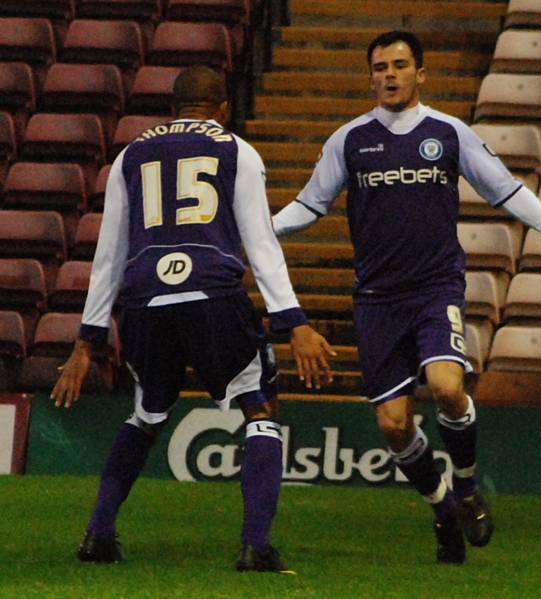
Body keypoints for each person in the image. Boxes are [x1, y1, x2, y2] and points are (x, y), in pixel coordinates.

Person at [272, 31, 541, 564]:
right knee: (393, 425)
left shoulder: (448, 133)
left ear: (420, 74)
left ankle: (469, 485)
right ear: (370, 76)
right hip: (376, 299)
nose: (388, 74)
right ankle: (442, 506)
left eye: (399, 65)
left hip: (435, 288)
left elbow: (506, 189)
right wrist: (259, 230)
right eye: (379, 67)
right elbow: (310, 206)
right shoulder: (349, 140)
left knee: (448, 388)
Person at [50, 65, 335, 572]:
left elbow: (109, 255)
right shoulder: (235, 150)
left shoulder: (130, 156)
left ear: (173, 108)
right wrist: (295, 323)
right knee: (259, 408)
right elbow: (260, 242)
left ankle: (98, 533)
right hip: (212, 297)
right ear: (223, 108)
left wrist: (86, 343)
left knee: (145, 414)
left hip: (147, 304)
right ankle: (255, 545)